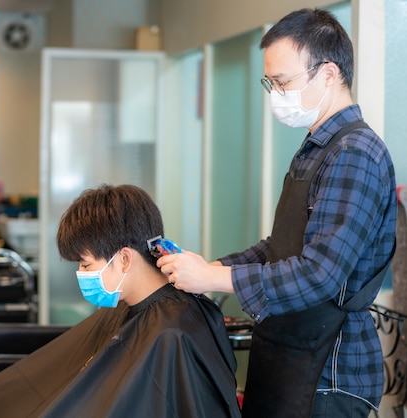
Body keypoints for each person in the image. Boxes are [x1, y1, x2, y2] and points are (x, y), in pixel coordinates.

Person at [157, 8, 396, 418]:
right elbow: (280, 246)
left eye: (283, 82)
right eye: (271, 83)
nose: (276, 95)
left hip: (329, 372)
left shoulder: (355, 154)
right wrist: (206, 271)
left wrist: (216, 278)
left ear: (328, 74)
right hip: (289, 354)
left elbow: (319, 272)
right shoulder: (316, 149)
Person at [0, 184, 241, 417]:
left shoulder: (172, 335)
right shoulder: (134, 306)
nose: (81, 274)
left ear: (125, 258)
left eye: (86, 265)